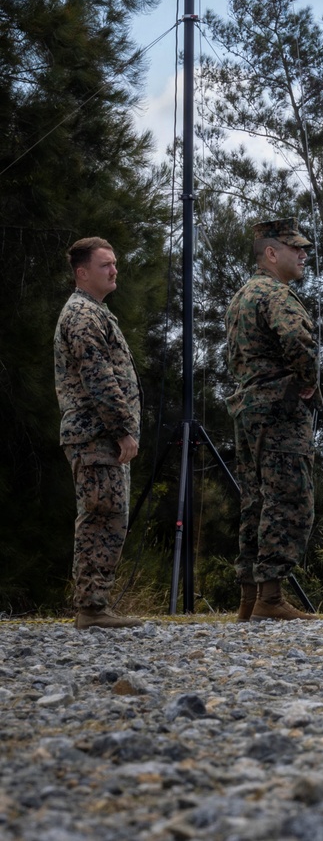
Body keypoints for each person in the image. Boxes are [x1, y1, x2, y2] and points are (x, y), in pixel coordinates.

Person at [225, 217, 322, 621]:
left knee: (255, 499)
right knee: (288, 497)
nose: (303, 255)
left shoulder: (243, 295)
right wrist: (307, 379)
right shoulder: (275, 294)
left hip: (249, 406)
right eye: (294, 248)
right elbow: (298, 340)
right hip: (279, 407)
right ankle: (271, 597)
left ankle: (249, 599)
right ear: (270, 253)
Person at [54, 237, 143, 630]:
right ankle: (91, 609)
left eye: (115, 263)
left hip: (101, 437)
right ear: (82, 273)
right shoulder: (83, 315)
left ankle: (95, 606)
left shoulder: (96, 313)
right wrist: (123, 430)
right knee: (101, 517)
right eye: (105, 264)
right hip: (95, 436)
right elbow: (99, 380)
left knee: (110, 516)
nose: (114, 270)